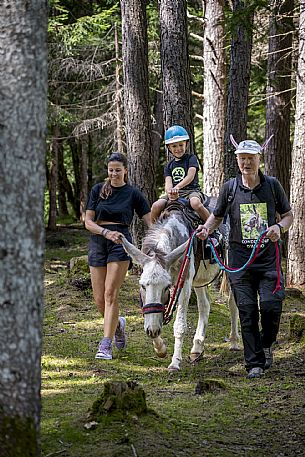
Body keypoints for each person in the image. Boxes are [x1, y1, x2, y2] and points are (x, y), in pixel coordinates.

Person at [196, 137, 293, 379]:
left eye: (251, 158)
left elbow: (289, 215)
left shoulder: (271, 186)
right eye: (242, 158)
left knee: (271, 307)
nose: (246, 163)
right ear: (237, 160)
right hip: (239, 262)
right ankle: (254, 364)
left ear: (259, 159)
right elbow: (216, 216)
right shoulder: (229, 188)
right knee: (247, 311)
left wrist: (279, 228)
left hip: (268, 260)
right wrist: (206, 229)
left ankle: (266, 343)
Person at [85, 152, 151, 360]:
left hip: (121, 244)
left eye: (117, 170)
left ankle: (105, 344)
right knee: (99, 299)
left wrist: (155, 245)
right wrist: (105, 232)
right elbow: (88, 221)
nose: (113, 174)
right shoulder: (98, 190)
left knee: (110, 293)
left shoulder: (133, 193)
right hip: (98, 241)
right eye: (111, 170)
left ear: (125, 171)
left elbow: (150, 222)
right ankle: (118, 324)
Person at [151, 125, 210, 223]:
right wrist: (170, 192)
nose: (178, 149)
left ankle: (211, 227)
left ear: (186, 144)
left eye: (181, 145)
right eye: (174, 146)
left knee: (195, 203)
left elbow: (190, 176)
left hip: (191, 191)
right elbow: (168, 182)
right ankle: (152, 231)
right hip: (175, 192)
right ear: (169, 148)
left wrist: (177, 187)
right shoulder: (169, 165)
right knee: (156, 206)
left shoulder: (191, 158)